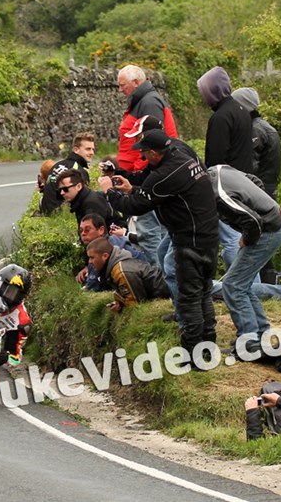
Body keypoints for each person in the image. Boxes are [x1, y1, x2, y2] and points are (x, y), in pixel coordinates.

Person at [99, 129, 219, 367]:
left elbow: (136, 205)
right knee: (203, 292)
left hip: (189, 240)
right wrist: (131, 185)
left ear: (154, 152)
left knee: (188, 298)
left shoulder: (166, 173)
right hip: (208, 234)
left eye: (143, 153)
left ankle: (194, 356)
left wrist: (109, 192)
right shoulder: (181, 153)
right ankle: (208, 349)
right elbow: (150, 185)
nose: (142, 157)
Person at [207, 164, 281, 357]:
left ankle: (248, 341)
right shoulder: (217, 169)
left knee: (232, 286)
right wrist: (268, 203)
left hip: (267, 232)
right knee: (242, 285)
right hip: (271, 225)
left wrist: (247, 238)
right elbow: (253, 180)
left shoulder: (218, 194)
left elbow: (253, 221)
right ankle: (261, 334)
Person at [117, 65, 178, 268]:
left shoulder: (148, 102)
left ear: (136, 82)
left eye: (122, 85)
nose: (120, 90)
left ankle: (158, 277)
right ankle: (162, 277)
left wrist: (141, 175)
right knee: (155, 230)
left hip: (148, 177)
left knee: (150, 231)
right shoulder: (143, 101)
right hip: (144, 174)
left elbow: (153, 144)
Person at [197, 66, 254, 273]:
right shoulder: (241, 111)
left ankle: (243, 284)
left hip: (227, 186)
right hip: (244, 180)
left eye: (205, 92)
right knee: (238, 235)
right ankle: (246, 284)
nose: (204, 98)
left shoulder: (220, 117)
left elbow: (216, 159)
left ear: (213, 90)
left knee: (231, 239)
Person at [86, 237, 169, 313]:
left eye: (92, 257)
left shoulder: (121, 271)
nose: (89, 261)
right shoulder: (116, 265)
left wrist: (122, 308)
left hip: (167, 288)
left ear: (105, 256)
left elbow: (135, 304)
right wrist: (120, 303)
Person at [230, 87, 281, 200]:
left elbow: (250, 166)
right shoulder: (264, 126)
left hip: (259, 191)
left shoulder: (255, 130)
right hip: (269, 189)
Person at [75, 213, 146, 291]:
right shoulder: (104, 243)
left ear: (101, 230)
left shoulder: (107, 247)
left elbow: (92, 286)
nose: (83, 233)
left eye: (87, 229)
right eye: (80, 230)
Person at [39, 132, 96, 215]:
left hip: (46, 213)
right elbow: (83, 201)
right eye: (88, 149)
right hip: (61, 215)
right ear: (76, 150)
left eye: (93, 149)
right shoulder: (79, 171)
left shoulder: (56, 165)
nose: (92, 153)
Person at [56, 168, 122, 227]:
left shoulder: (91, 204)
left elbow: (95, 234)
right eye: (60, 190)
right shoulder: (82, 200)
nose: (62, 193)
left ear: (78, 186)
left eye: (65, 189)